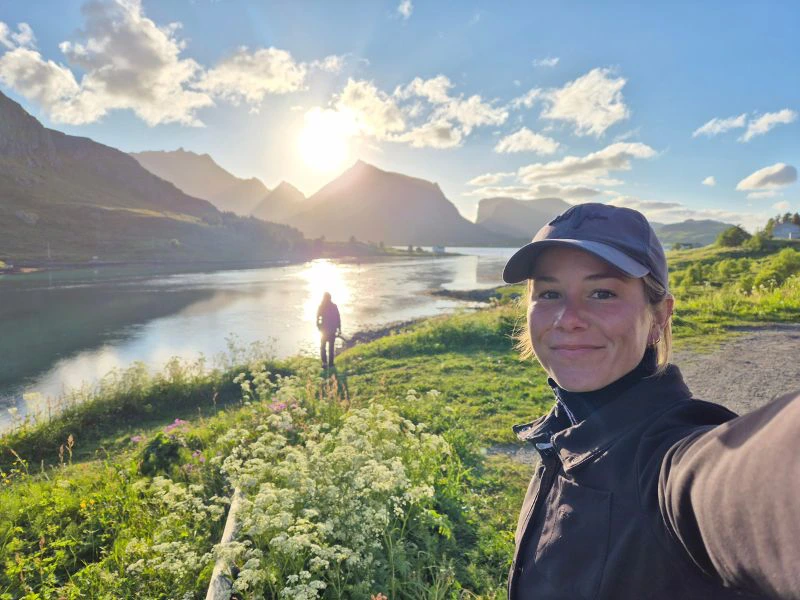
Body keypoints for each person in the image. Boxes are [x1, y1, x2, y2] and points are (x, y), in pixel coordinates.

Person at [503, 203, 800, 600]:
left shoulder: (667, 461)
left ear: (659, 316)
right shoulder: (561, 432)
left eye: (602, 293)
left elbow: (743, 485)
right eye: (550, 293)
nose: (568, 318)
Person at [316, 292, 341, 368]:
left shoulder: (321, 306)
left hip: (324, 330)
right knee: (331, 347)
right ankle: (330, 363)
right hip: (332, 329)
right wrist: (339, 328)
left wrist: (319, 326)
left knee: (323, 346)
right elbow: (338, 318)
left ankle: (324, 362)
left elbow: (318, 318)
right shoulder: (334, 306)